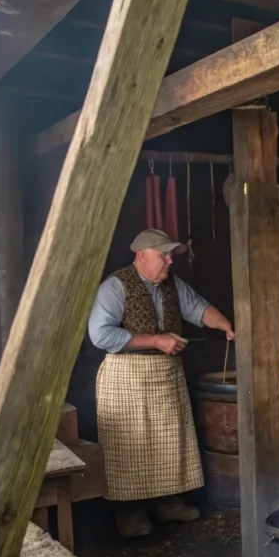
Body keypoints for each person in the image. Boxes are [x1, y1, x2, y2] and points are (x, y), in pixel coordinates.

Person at [88, 229, 235, 538]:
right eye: (163, 255)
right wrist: (156, 339)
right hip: (126, 378)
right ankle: (131, 515)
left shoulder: (172, 284)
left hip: (165, 377)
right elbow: (101, 335)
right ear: (141, 255)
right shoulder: (115, 287)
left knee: (171, 444)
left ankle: (170, 505)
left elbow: (197, 308)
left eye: (170, 254)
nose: (170, 260)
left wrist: (226, 325)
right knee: (129, 447)